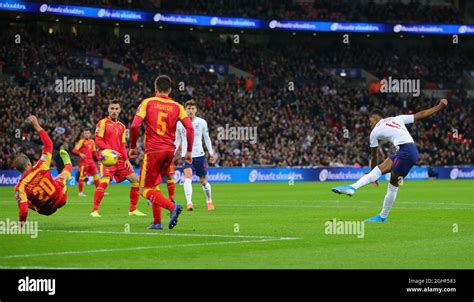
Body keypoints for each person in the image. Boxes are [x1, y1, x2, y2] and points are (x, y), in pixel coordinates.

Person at [331, 99, 449, 222]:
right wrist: (439, 107)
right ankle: (382, 216)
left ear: (375, 118)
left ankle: (353, 187)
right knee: (392, 184)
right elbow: (419, 114)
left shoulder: (374, 132)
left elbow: (374, 156)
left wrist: (373, 175)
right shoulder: (397, 118)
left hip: (405, 152)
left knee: (385, 175)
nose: (369, 124)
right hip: (410, 151)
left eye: (370, 120)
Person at [129, 75, 194, 230]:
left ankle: (172, 207)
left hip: (153, 152)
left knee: (144, 189)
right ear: (170, 90)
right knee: (154, 185)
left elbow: (133, 126)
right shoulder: (178, 107)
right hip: (169, 152)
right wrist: (189, 151)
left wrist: (132, 147)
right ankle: (157, 222)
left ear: (155, 88)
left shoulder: (148, 102)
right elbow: (190, 128)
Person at [91, 100, 146, 217]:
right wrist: (110, 150)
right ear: (108, 110)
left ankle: (132, 210)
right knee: (105, 181)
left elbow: (122, 145)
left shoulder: (122, 126)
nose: (114, 111)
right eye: (112, 108)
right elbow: (98, 140)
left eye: (116, 109)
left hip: (120, 160)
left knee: (135, 179)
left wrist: (127, 160)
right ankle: (94, 210)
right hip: (107, 159)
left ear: (120, 110)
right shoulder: (102, 123)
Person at [13, 115, 73, 224]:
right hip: (61, 198)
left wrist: (21, 225)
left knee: (25, 201)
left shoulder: (19, 187)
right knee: (62, 177)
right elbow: (49, 144)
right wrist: (37, 125)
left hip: (46, 210)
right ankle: (68, 164)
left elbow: (24, 211)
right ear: (28, 163)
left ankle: (34, 203)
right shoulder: (41, 165)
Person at [175, 100, 217, 211]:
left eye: (193, 108)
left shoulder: (202, 122)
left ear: (196, 110)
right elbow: (177, 140)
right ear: (185, 110)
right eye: (188, 109)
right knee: (187, 177)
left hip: (200, 155)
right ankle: (189, 203)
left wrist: (211, 153)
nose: (191, 111)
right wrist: (171, 153)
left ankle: (209, 200)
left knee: (203, 181)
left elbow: (206, 138)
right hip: (187, 156)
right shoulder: (179, 124)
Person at [72, 130, 100, 197]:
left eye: (88, 133)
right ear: (83, 134)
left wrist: (98, 160)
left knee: (96, 176)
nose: (86, 134)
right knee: (82, 177)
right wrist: (80, 154)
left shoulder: (92, 141)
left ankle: (99, 191)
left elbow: (94, 152)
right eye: (85, 133)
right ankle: (80, 193)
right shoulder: (81, 141)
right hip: (84, 163)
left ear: (90, 134)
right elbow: (74, 150)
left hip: (91, 162)